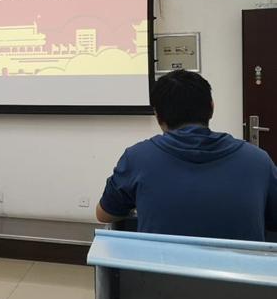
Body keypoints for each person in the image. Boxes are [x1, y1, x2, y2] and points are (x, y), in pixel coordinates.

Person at [97, 69, 277, 240]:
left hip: (160, 263)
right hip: (239, 263)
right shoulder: (258, 160)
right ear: (211, 108)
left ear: (158, 115)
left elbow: (104, 214)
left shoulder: (137, 158)